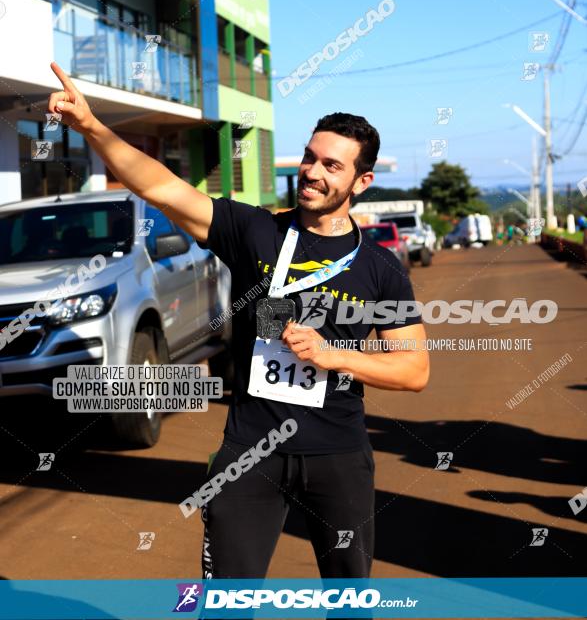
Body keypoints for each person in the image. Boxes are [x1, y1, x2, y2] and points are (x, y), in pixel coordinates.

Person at [47, 63, 430, 580]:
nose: (313, 173)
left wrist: (332, 355)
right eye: (311, 158)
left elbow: (414, 371)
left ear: (361, 181)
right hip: (249, 450)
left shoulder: (381, 268)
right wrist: (92, 126)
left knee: (349, 600)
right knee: (227, 598)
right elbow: (162, 189)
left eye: (332, 167)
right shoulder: (255, 231)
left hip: (338, 455)